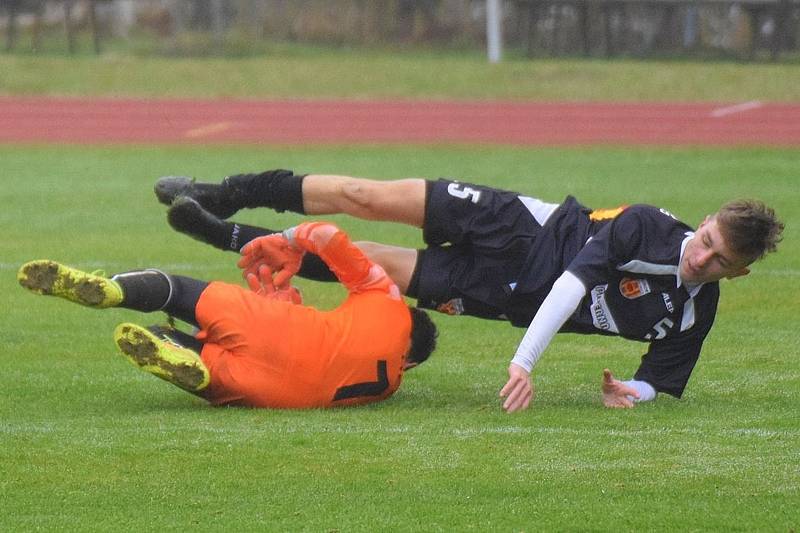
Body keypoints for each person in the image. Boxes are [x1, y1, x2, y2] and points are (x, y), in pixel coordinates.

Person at [154, 170, 783, 412]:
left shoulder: (692, 314)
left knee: (372, 265)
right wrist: (524, 363)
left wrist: (632, 392)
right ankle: (228, 193)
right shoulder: (647, 224)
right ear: (701, 222)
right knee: (365, 198)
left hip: (499, 294)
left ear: (738, 271)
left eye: (717, 259)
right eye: (703, 238)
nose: (699, 257)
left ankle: (225, 236)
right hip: (516, 225)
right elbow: (570, 285)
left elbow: (661, 379)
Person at [17, 221, 437, 409]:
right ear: (411, 362)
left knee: (176, 290)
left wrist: (286, 239)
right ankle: (191, 361)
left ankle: (113, 289)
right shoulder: (389, 387)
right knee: (167, 340)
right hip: (280, 395)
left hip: (282, 330)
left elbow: (326, 235)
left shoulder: (386, 297)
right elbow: (333, 354)